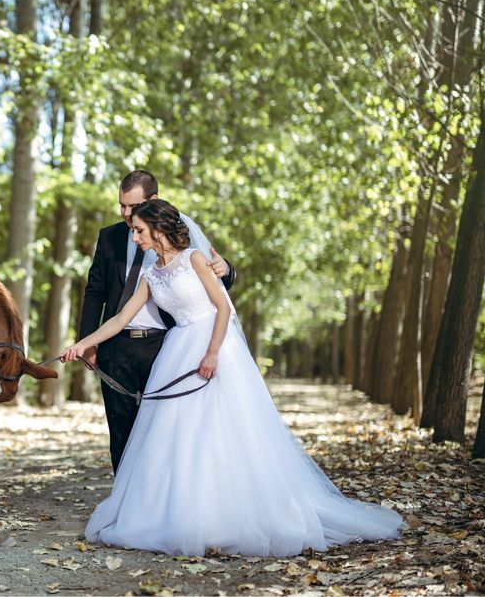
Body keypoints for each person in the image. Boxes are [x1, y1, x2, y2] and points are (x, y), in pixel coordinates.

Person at [62, 199, 404, 556]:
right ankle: (183, 514)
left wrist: (211, 352)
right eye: (134, 231)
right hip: (177, 350)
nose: (134, 238)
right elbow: (118, 320)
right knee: (178, 436)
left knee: (223, 430)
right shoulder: (151, 277)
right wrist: (81, 345)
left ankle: (235, 514)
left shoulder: (194, 259)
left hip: (214, 344)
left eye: (139, 231)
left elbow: (223, 307)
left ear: (159, 230)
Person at [78, 170, 235, 473]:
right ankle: (129, 504)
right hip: (116, 346)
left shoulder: (179, 233)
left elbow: (214, 287)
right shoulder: (109, 237)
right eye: (121, 205)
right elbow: (95, 291)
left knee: (164, 431)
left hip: (166, 346)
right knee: (121, 432)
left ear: (153, 200)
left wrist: (226, 268)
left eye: (133, 207)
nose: (125, 214)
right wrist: (88, 342)